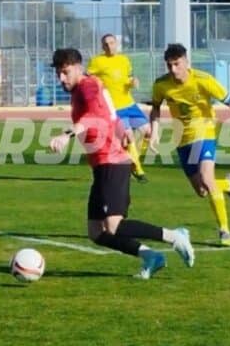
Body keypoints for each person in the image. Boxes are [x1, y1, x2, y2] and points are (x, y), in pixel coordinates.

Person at [47, 47, 194, 279]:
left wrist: (66, 134)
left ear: (78, 68)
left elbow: (94, 116)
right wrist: (122, 130)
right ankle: (150, 256)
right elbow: (110, 114)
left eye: (65, 72)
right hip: (102, 164)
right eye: (58, 73)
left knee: (114, 226)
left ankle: (175, 236)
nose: (61, 78)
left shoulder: (88, 87)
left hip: (111, 162)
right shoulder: (83, 89)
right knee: (96, 232)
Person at [146, 43, 230, 247]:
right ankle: (228, 185)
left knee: (206, 178)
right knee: (202, 190)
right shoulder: (161, 85)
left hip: (204, 132)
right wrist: (154, 132)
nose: (173, 70)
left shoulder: (204, 80)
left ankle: (224, 230)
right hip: (182, 139)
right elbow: (156, 109)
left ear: (186, 62)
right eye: (169, 65)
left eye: (177, 64)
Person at [87, 33, 149, 182]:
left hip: (129, 104)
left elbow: (127, 77)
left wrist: (133, 81)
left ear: (116, 44)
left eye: (112, 43)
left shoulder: (124, 60)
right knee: (129, 136)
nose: (109, 46)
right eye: (106, 44)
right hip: (114, 107)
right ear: (102, 46)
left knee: (148, 132)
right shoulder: (97, 61)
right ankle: (138, 170)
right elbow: (88, 78)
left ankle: (133, 159)